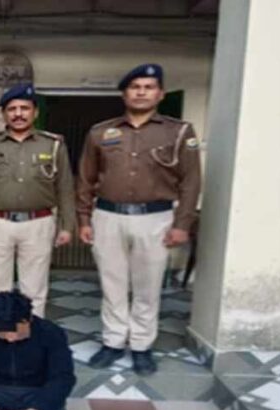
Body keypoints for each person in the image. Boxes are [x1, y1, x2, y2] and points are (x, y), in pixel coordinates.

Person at [77, 63, 202, 375]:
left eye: (148, 87)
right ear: (124, 94)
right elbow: (85, 179)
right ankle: (113, 341)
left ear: (160, 94)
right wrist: (84, 219)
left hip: (155, 218)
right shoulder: (101, 132)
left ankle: (142, 346)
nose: (141, 92)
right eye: (135, 87)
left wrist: (182, 224)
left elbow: (191, 182)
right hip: (108, 216)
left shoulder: (178, 131)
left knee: (148, 287)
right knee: (112, 284)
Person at [0, 83, 76, 318]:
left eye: (25, 108)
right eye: (12, 109)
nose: (18, 114)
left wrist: (67, 226)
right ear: (4, 114)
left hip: (38, 223)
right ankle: (0, 331)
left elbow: (65, 188)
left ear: (35, 112)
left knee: (34, 287)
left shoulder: (53, 144)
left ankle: (32, 332)